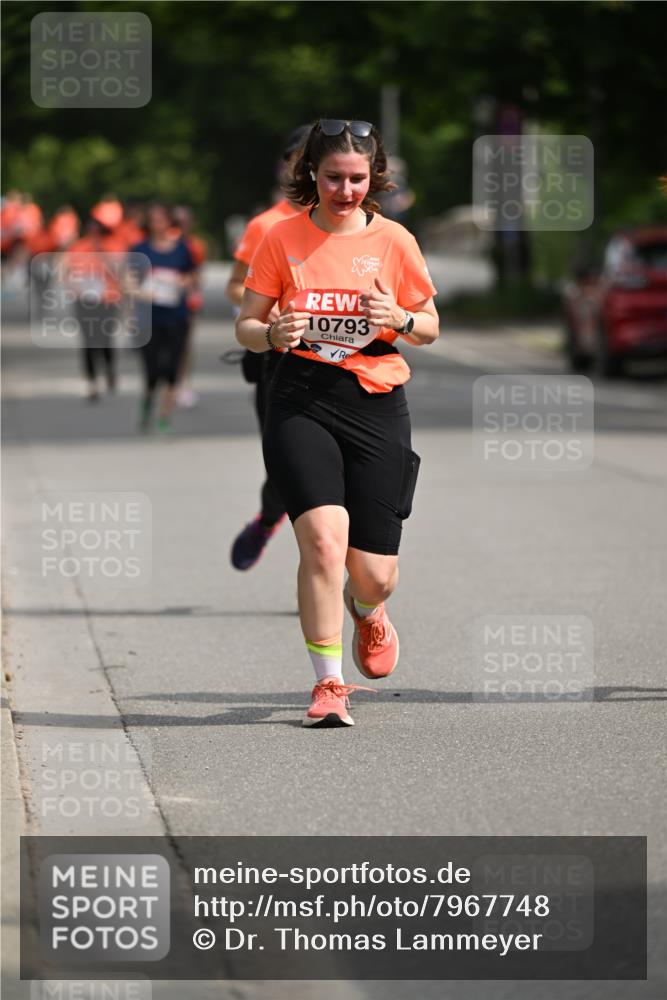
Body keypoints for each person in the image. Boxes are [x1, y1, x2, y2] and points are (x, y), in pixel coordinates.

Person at [236, 119, 439, 727]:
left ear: (373, 178)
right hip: (300, 397)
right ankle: (328, 684)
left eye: (356, 179)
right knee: (324, 544)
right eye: (332, 178)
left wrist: (399, 318)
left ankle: (367, 609)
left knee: (375, 574)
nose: (345, 191)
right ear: (311, 175)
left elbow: (429, 326)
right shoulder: (281, 237)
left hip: (375, 399)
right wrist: (272, 333)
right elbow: (246, 325)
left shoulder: (395, 240)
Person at [227, 124, 310, 571]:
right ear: (287, 166)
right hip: (276, 360)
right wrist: (268, 312)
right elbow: (234, 285)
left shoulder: (354, 223)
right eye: (301, 160)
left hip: (344, 364)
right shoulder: (265, 225)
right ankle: (266, 520)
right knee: (286, 466)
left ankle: (343, 565)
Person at [128, 201, 195, 433]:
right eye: (153, 220)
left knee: (172, 370)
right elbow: (127, 282)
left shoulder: (182, 249)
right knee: (152, 370)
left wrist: (181, 282)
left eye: (162, 219)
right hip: (148, 319)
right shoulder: (139, 250)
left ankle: (164, 416)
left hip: (176, 316)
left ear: (169, 222)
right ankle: (147, 401)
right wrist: (142, 293)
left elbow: (193, 277)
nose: (158, 224)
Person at [64, 216, 124, 400]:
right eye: (90, 230)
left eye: (97, 230)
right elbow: (68, 272)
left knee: (105, 339)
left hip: (107, 300)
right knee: (88, 341)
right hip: (85, 300)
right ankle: (92, 382)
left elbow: (120, 271)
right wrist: (74, 288)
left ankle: (109, 369)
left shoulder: (113, 246)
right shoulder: (78, 247)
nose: (93, 234)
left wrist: (102, 253)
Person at [171, 204, 207, 409]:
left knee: (185, 345)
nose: (181, 226)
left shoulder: (196, 245)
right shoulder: (166, 243)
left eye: (185, 222)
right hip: (163, 301)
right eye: (177, 222)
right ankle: (168, 382)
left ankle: (183, 384)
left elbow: (198, 274)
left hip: (187, 301)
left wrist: (192, 290)